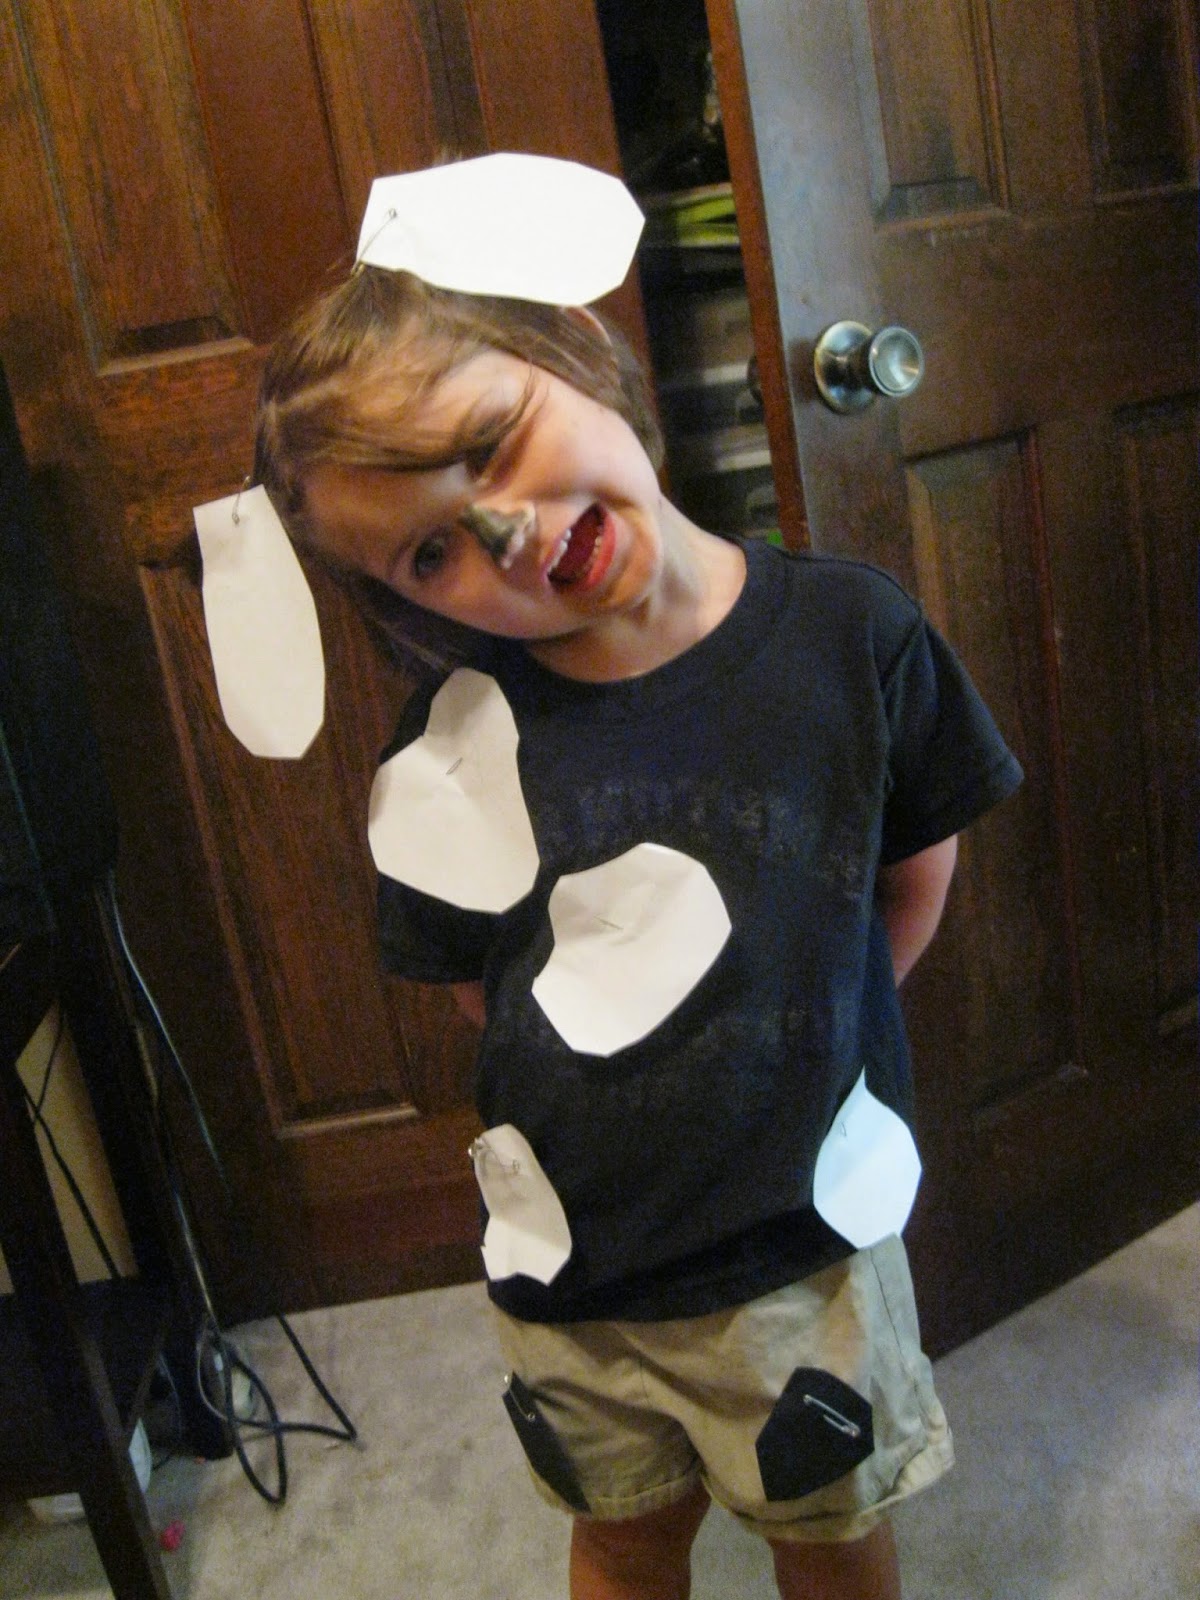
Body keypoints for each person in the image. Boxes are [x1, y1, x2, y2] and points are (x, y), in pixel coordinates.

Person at [251, 249, 1022, 1599]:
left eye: (489, 444)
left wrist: (822, 1026)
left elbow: (914, 870)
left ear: (575, 353)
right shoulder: (453, 740)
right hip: (573, 1268)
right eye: (431, 552)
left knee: (830, 1533)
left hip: (800, 1246)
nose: (504, 536)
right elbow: (484, 984)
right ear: (405, 604)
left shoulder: (853, 637)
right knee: (620, 1535)